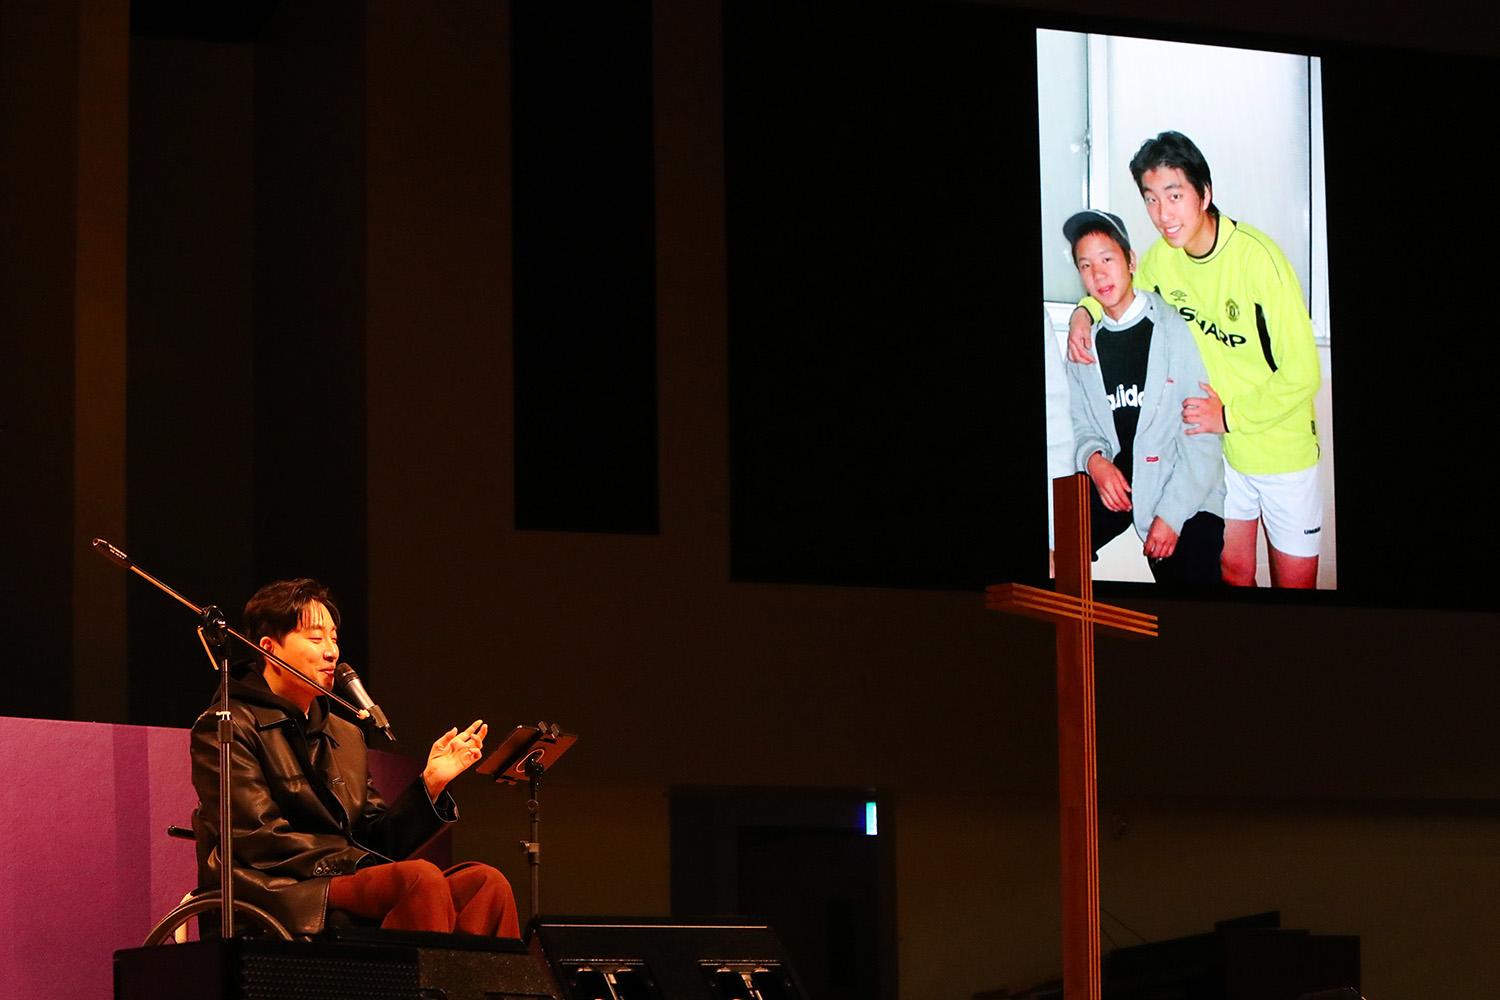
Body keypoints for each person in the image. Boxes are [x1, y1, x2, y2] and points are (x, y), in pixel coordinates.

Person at [190, 578, 520, 938]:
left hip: (341, 876)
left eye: (333, 638)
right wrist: (355, 863)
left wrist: (430, 785)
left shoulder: (345, 733)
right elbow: (258, 839)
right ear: (270, 649)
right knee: (419, 879)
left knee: (486, 885)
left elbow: (375, 841)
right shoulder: (227, 724)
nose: (332, 651)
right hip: (276, 890)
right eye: (316, 639)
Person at [1067, 132, 1323, 588]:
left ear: (1204, 194)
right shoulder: (1165, 259)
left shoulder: (1257, 259)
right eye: (1151, 199)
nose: (1163, 215)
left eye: (1174, 195)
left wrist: (1227, 416)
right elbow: (1117, 289)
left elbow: (1304, 374)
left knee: (1295, 589)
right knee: (1234, 574)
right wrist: (1082, 316)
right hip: (1222, 452)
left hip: (1280, 449)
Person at [1062, 209, 1225, 585]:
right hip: (1123, 481)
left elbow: (1201, 438)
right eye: (1086, 265)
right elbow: (1078, 424)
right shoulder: (1085, 345)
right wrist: (1095, 462)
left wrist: (1171, 516)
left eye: (1107, 259)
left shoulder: (1172, 330)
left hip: (1184, 487)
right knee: (1060, 544)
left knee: (1191, 589)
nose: (1099, 273)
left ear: (1131, 261)